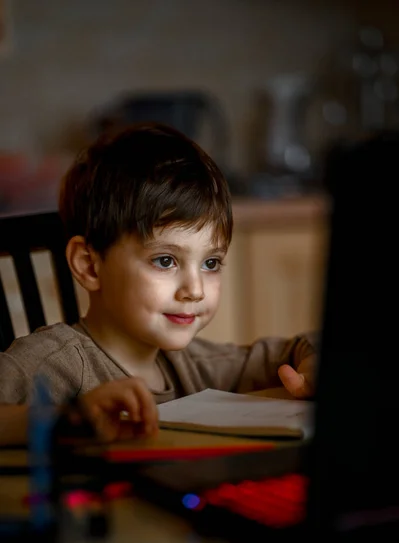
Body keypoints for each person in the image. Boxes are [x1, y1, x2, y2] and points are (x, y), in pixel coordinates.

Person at [0, 123, 316, 445]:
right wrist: (68, 418)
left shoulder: (194, 365)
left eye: (211, 263)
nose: (195, 290)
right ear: (90, 266)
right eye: (165, 260)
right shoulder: (54, 365)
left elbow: (303, 346)